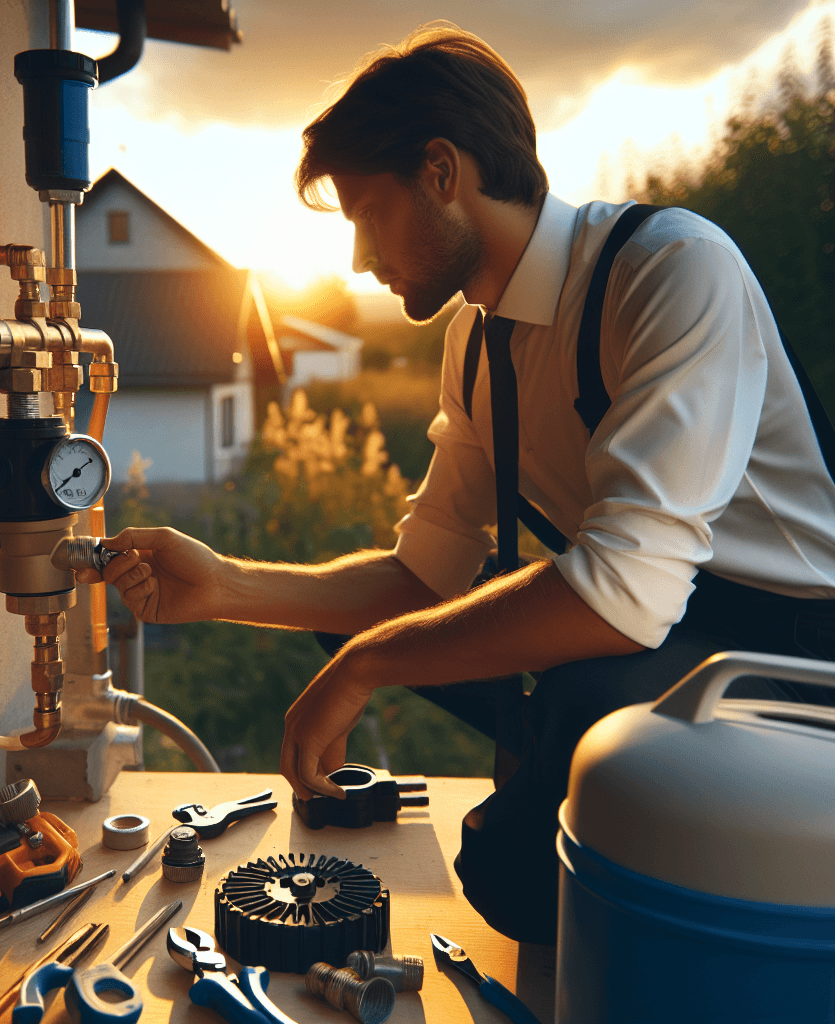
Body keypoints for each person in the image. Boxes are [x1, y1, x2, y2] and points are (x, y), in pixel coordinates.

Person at [80, 24, 835, 944]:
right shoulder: (475, 341)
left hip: (790, 653)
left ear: (442, 172)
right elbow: (423, 575)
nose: (358, 257)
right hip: (657, 621)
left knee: (540, 781)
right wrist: (228, 586)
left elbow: (623, 597)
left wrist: (365, 668)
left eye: (365, 213)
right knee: (361, 625)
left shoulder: (671, 269)